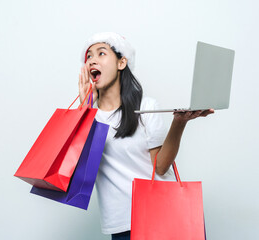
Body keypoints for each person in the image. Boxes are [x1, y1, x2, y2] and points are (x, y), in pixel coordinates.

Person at [78, 32, 214, 240]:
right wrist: (84, 109)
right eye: (89, 56)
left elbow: (160, 166)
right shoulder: (89, 117)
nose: (92, 60)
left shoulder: (146, 107)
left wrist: (179, 123)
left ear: (122, 62)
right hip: (122, 223)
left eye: (101, 53)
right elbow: (77, 168)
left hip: (165, 215)